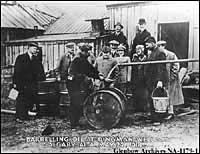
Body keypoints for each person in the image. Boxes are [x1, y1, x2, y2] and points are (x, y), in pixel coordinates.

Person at [67, 43, 104, 128]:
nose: (89, 54)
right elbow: (74, 74)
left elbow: (90, 69)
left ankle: (77, 121)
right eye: (87, 52)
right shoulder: (77, 60)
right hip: (74, 85)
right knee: (75, 103)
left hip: (79, 84)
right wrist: (89, 76)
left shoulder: (84, 59)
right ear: (83, 52)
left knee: (81, 101)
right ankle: (73, 123)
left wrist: (98, 74)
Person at [13, 42, 46, 122]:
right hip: (22, 83)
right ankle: (19, 117)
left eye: (37, 49)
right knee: (21, 100)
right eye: (34, 48)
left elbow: (40, 71)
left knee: (29, 99)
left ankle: (25, 115)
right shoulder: (21, 58)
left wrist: (42, 77)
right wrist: (15, 83)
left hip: (32, 84)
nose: (36, 50)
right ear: (29, 48)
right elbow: (16, 71)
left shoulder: (36, 59)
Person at [157, 40, 184, 119]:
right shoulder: (159, 55)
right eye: (158, 46)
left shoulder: (171, 55)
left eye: (160, 46)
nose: (159, 48)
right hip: (164, 79)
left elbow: (176, 66)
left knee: (171, 95)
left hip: (171, 79)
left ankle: (170, 112)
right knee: (165, 94)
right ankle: (164, 111)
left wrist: (172, 77)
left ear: (163, 46)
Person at [144, 37, 168, 119]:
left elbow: (161, 68)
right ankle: (153, 116)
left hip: (156, 80)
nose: (146, 46)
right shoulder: (153, 52)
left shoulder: (160, 53)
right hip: (151, 80)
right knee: (151, 98)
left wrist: (160, 80)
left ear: (152, 43)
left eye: (147, 44)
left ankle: (158, 118)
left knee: (157, 99)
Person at [131, 45, 148, 112]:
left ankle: (144, 107)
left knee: (144, 93)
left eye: (139, 49)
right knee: (136, 93)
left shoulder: (146, 58)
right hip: (136, 78)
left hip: (144, 78)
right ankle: (136, 108)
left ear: (143, 50)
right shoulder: (134, 58)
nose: (138, 51)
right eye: (137, 49)